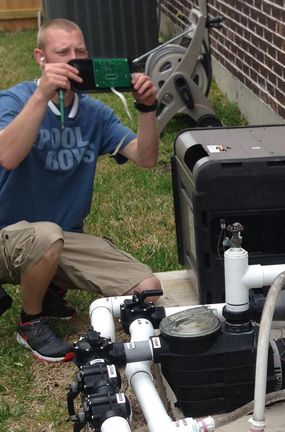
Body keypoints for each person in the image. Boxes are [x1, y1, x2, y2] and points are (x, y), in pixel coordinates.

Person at [0, 19, 163, 362]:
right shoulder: (15, 100)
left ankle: (48, 289)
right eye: (63, 54)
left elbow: (146, 158)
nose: (74, 60)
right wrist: (43, 95)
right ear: (40, 59)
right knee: (45, 236)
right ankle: (30, 323)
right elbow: (8, 156)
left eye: (81, 52)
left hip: (60, 240)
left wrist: (147, 109)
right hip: (7, 237)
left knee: (147, 289)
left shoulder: (94, 112)